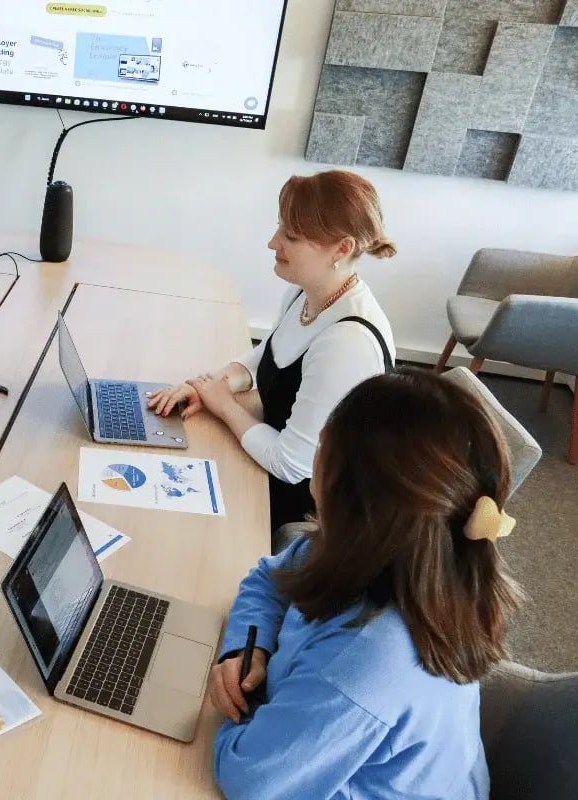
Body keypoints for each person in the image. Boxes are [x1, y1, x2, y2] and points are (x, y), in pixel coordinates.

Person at [208, 369, 522, 799]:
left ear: (352, 500)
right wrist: (248, 646)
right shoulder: (391, 555)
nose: (316, 450)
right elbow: (270, 577)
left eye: (325, 446)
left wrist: (248, 710)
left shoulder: (367, 662)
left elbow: (248, 780)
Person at [148, 170, 396, 529]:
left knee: (175, 518)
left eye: (290, 236)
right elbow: (271, 353)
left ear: (342, 249)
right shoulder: (308, 293)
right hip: (273, 461)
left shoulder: (346, 343)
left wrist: (223, 405)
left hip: (311, 507)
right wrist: (208, 384)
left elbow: (290, 464)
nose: (272, 242)